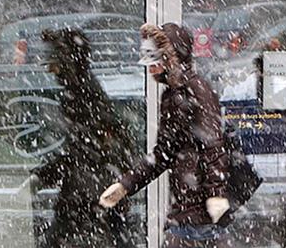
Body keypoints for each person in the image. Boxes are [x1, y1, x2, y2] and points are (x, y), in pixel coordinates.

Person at [99, 22, 232, 248]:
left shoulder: (195, 89)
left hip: (199, 214)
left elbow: (212, 144)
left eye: (155, 61)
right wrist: (125, 185)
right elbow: (163, 153)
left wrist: (215, 194)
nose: (150, 69)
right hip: (187, 210)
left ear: (171, 58)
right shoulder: (173, 94)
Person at [18, 28, 137, 247]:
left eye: (53, 60)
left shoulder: (82, 94)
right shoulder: (81, 90)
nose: (50, 68)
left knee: (60, 239)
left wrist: (46, 175)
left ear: (67, 61)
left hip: (90, 189)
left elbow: (84, 150)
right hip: (94, 187)